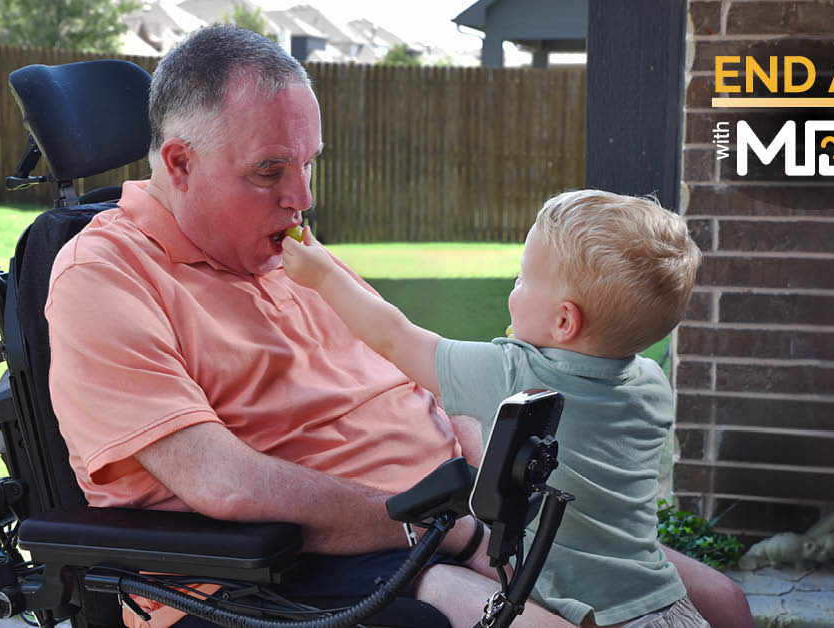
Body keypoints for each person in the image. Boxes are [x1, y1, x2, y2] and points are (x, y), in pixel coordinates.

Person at [46, 24, 752, 628]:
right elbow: (223, 484)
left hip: (452, 516)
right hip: (299, 567)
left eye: (307, 163)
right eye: (269, 172)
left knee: (721, 604)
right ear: (179, 162)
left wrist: (498, 480)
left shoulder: (290, 255)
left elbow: (422, 384)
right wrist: (442, 529)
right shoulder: (106, 278)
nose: (302, 198)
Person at [282, 189, 741, 628]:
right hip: (664, 602)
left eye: (522, 279)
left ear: (564, 321)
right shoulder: (650, 383)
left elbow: (394, 337)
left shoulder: (514, 374)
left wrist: (322, 274)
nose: (513, 288)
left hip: (595, 614)